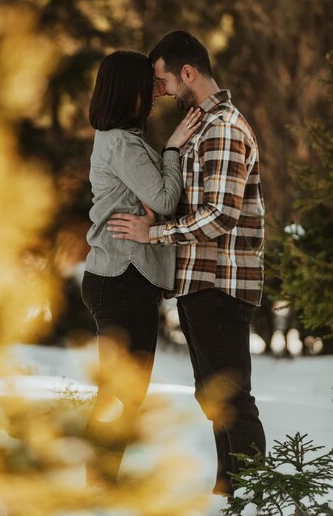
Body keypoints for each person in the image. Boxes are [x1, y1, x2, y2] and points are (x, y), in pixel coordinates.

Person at [107, 31, 266, 498]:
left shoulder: (223, 128)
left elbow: (220, 216)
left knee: (231, 398)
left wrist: (151, 233)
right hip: (199, 281)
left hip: (220, 281)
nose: (159, 91)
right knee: (214, 395)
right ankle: (227, 491)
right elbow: (201, 204)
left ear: (188, 73)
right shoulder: (205, 126)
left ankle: (255, 496)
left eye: (162, 80)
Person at [81, 49, 202, 484]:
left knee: (123, 392)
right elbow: (166, 200)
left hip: (122, 277)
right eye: (147, 85)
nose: (155, 93)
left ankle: (99, 483)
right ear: (128, 90)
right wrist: (172, 149)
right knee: (120, 393)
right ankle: (97, 486)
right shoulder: (122, 143)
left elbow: (158, 203)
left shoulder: (122, 140)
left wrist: (155, 213)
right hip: (121, 278)